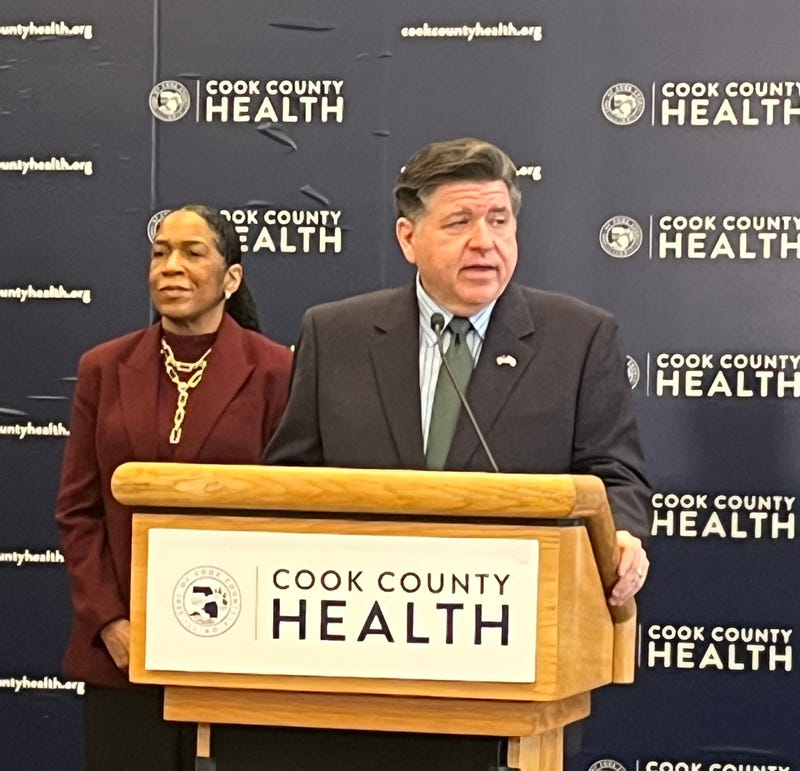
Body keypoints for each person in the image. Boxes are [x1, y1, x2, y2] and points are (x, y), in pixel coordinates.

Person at [262, 137, 651, 769]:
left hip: (515, 657)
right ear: (408, 239)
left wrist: (624, 538)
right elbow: (287, 480)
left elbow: (615, 475)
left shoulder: (579, 338)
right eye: (459, 222)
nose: (484, 241)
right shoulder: (335, 334)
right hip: (358, 660)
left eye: (499, 221)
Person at [55, 204, 292, 770]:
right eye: (160, 253)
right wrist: (110, 623)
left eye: (192, 252)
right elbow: (78, 510)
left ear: (231, 278)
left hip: (243, 653)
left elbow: (293, 513)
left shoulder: (277, 371)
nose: (170, 267)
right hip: (124, 655)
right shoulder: (103, 368)